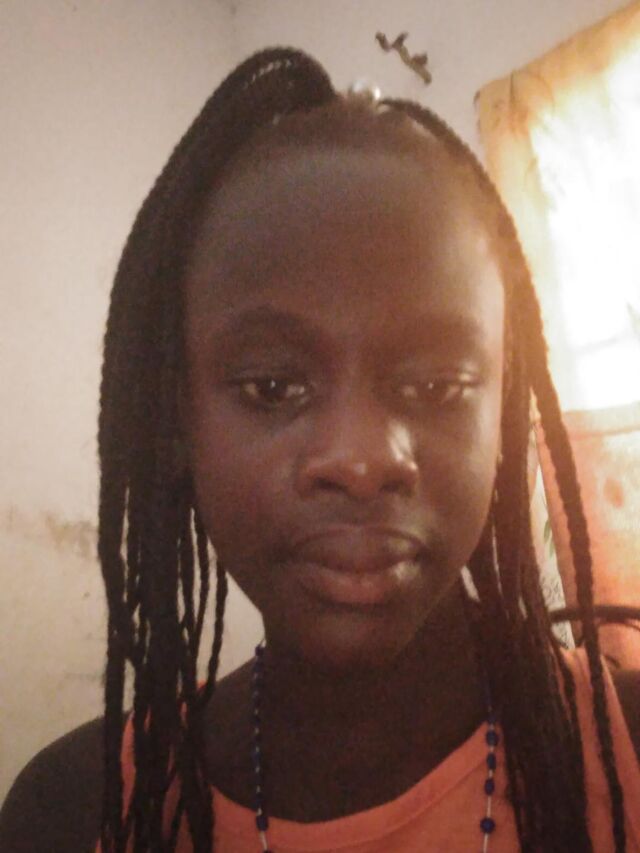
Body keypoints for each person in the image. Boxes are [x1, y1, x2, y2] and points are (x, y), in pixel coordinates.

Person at [1, 46, 639, 853]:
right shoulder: (76, 811)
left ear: (504, 415)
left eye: (438, 383)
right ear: (177, 423)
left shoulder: (623, 748)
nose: (361, 460)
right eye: (273, 387)